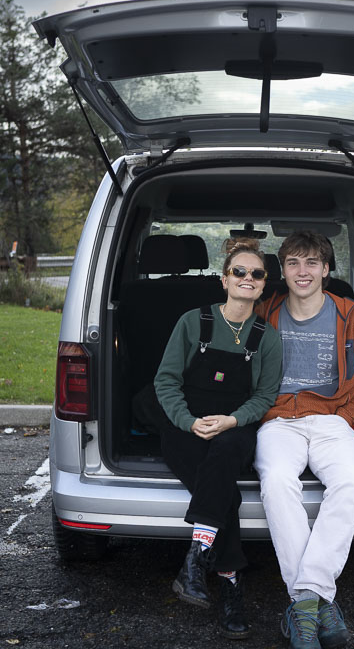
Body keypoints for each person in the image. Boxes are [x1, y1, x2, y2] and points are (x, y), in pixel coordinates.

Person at [254, 230, 354, 649]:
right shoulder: (265, 311)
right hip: (278, 421)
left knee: (349, 484)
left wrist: (345, 416)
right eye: (293, 262)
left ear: (327, 269)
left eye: (312, 262)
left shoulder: (351, 315)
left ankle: (303, 602)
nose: (302, 271)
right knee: (277, 483)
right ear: (282, 270)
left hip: (333, 420)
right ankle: (315, 602)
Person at [153, 237, 283, 640]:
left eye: (256, 274)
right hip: (186, 424)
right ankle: (228, 579)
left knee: (227, 453)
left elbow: (265, 396)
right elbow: (167, 380)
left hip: (235, 427)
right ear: (224, 279)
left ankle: (195, 560)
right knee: (225, 493)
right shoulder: (194, 322)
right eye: (239, 271)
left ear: (264, 286)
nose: (248, 278)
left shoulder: (268, 337)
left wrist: (232, 420)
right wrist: (189, 421)